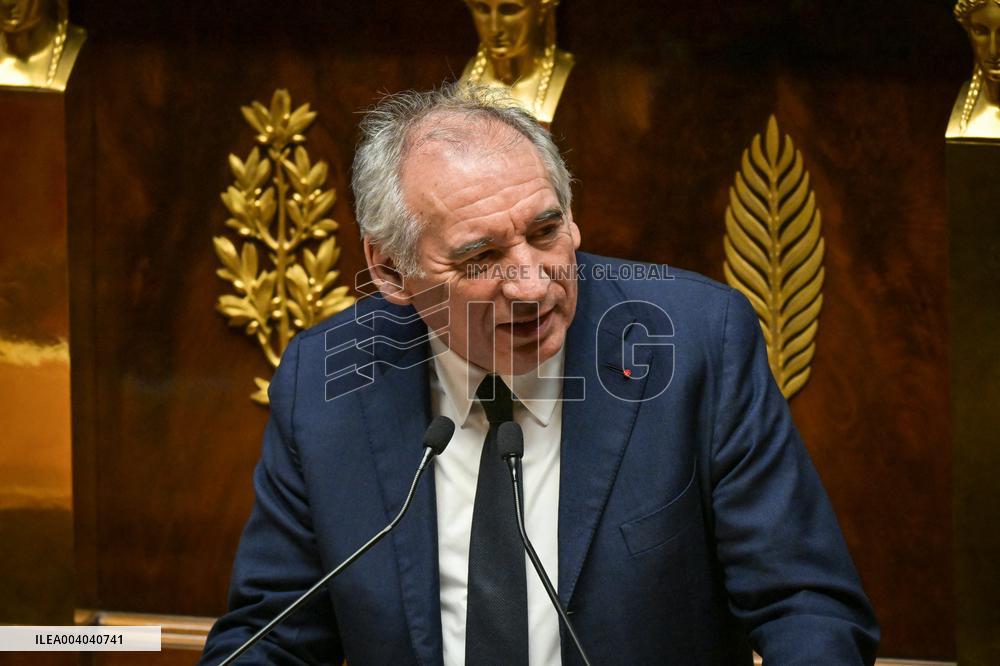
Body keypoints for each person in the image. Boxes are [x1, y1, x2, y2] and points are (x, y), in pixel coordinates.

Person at [201, 84, 879, 665]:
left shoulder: (697, 343)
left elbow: (808, 608)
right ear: (388, 271)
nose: (530, 285)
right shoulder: (328, 383)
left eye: (546, 232)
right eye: (480, 256)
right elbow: (273, 636)